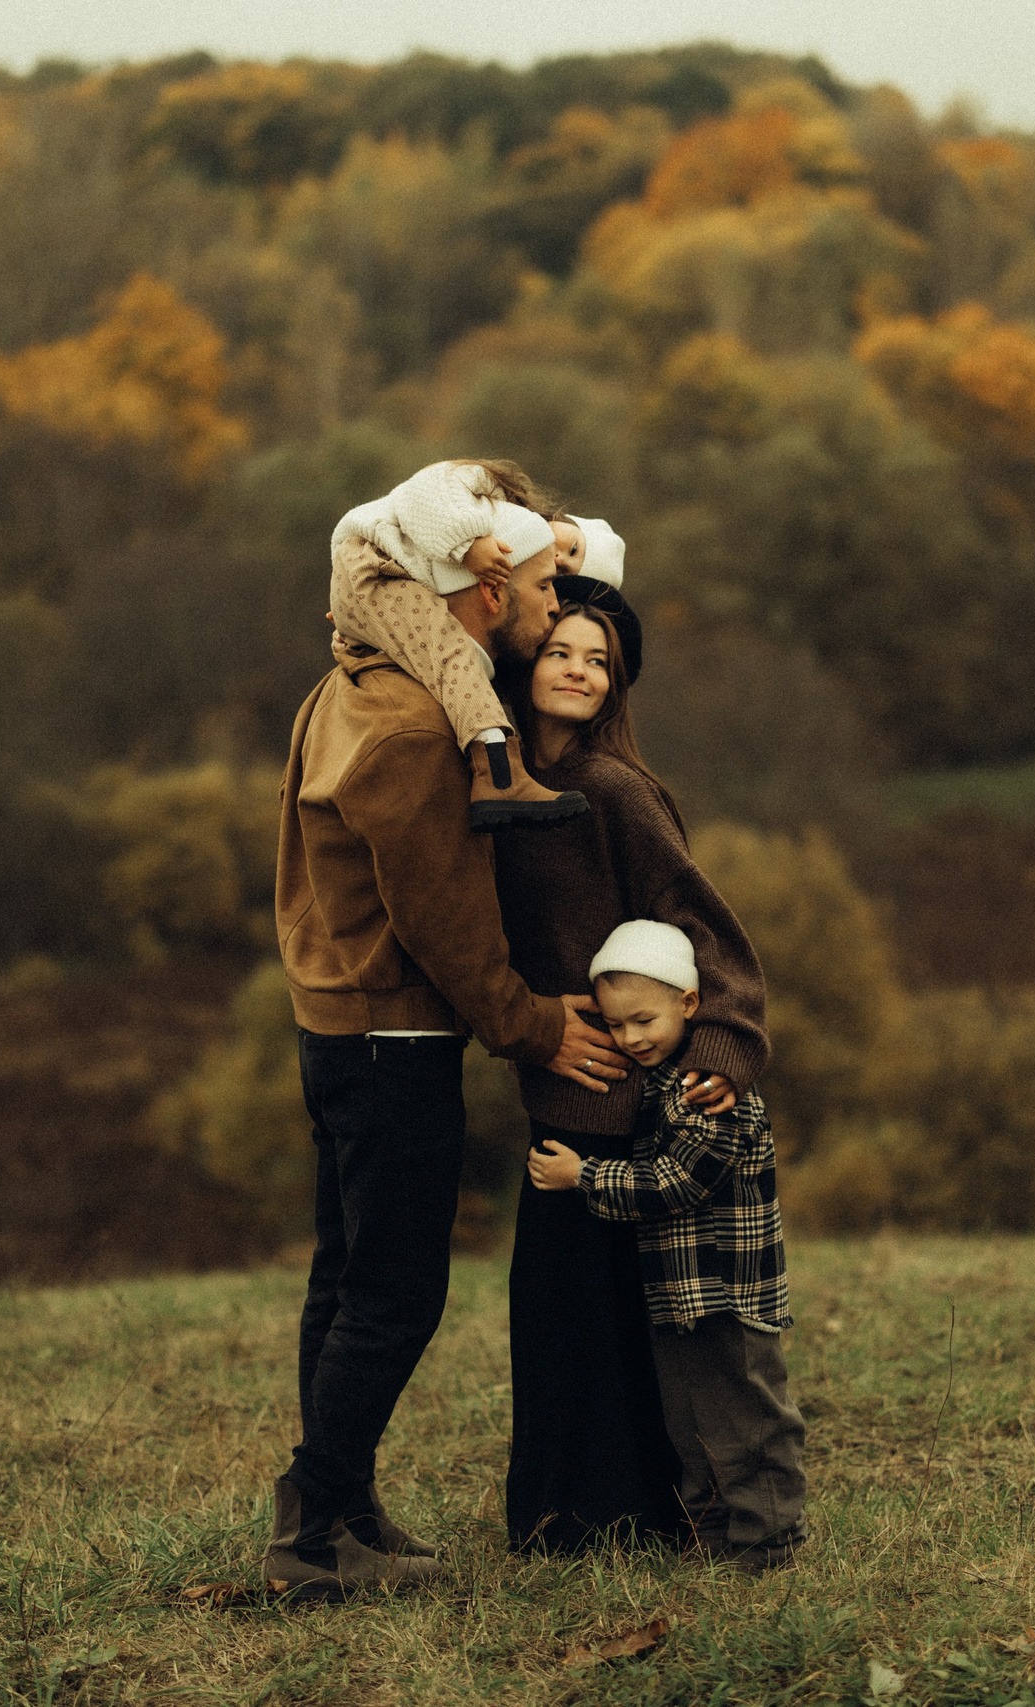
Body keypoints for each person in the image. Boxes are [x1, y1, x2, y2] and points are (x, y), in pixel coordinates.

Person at [266, 507, 629, 1599]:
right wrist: (533, 1023)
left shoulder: (348, 683)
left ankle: (341, 1505)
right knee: (394, 1294)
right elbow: (441, 920)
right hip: (392, 1040)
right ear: (482, 597)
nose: (554, 607)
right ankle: (312, 1529)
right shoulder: (418, 733)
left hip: (334, 1026)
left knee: (345, 1277)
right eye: (540, 593)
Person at [491, 580, 771, 1554]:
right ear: (523, 663)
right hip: (555, 1076)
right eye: (559, 650)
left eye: (597, 659)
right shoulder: (499, 783)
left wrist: (724, 1043)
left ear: (617, 685)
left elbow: (706, 923)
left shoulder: (612, 791)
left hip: (622, 1092)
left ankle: (618, 1517)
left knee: (607, 1317)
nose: (576, 669)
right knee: (556, 1311)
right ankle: (565, 1514)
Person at [527, 919, 808, 1572]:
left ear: (688, 1003)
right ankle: (709, 1540)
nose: (629, 1038)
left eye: (642, 1020)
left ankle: (769, 1544)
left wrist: (583, 1175)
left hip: (730, 1293)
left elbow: (676, 1183)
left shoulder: (706, 1092)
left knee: (751, 1420)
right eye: (617, 1024)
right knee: (694, 1424)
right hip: (682, 1294)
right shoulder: (662, 1085)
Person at [328, 459, 591, 831]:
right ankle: (500, 774)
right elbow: (421, 491)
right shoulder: (467, 484)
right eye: (547, 583)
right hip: (363, 563)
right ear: (493, 590)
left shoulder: (475, 520)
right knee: (449, 652)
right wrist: (471, 545)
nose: (554, 604)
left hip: (366, 571)